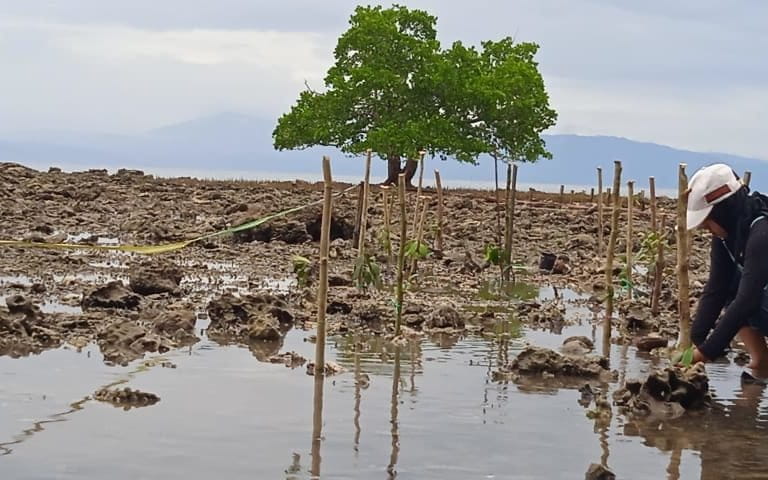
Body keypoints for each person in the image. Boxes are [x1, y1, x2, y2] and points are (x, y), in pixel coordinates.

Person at [686, 163, 768, 382]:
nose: (708, 230)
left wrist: (705, 353)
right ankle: (761, 363)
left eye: (708, 223)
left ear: (724, 211)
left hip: (758, 298)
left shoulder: (761, 232)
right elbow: (717, 288)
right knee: (731, 285)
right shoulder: (725, 237)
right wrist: (698, 337)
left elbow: (748, 300)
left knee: (744, 294)